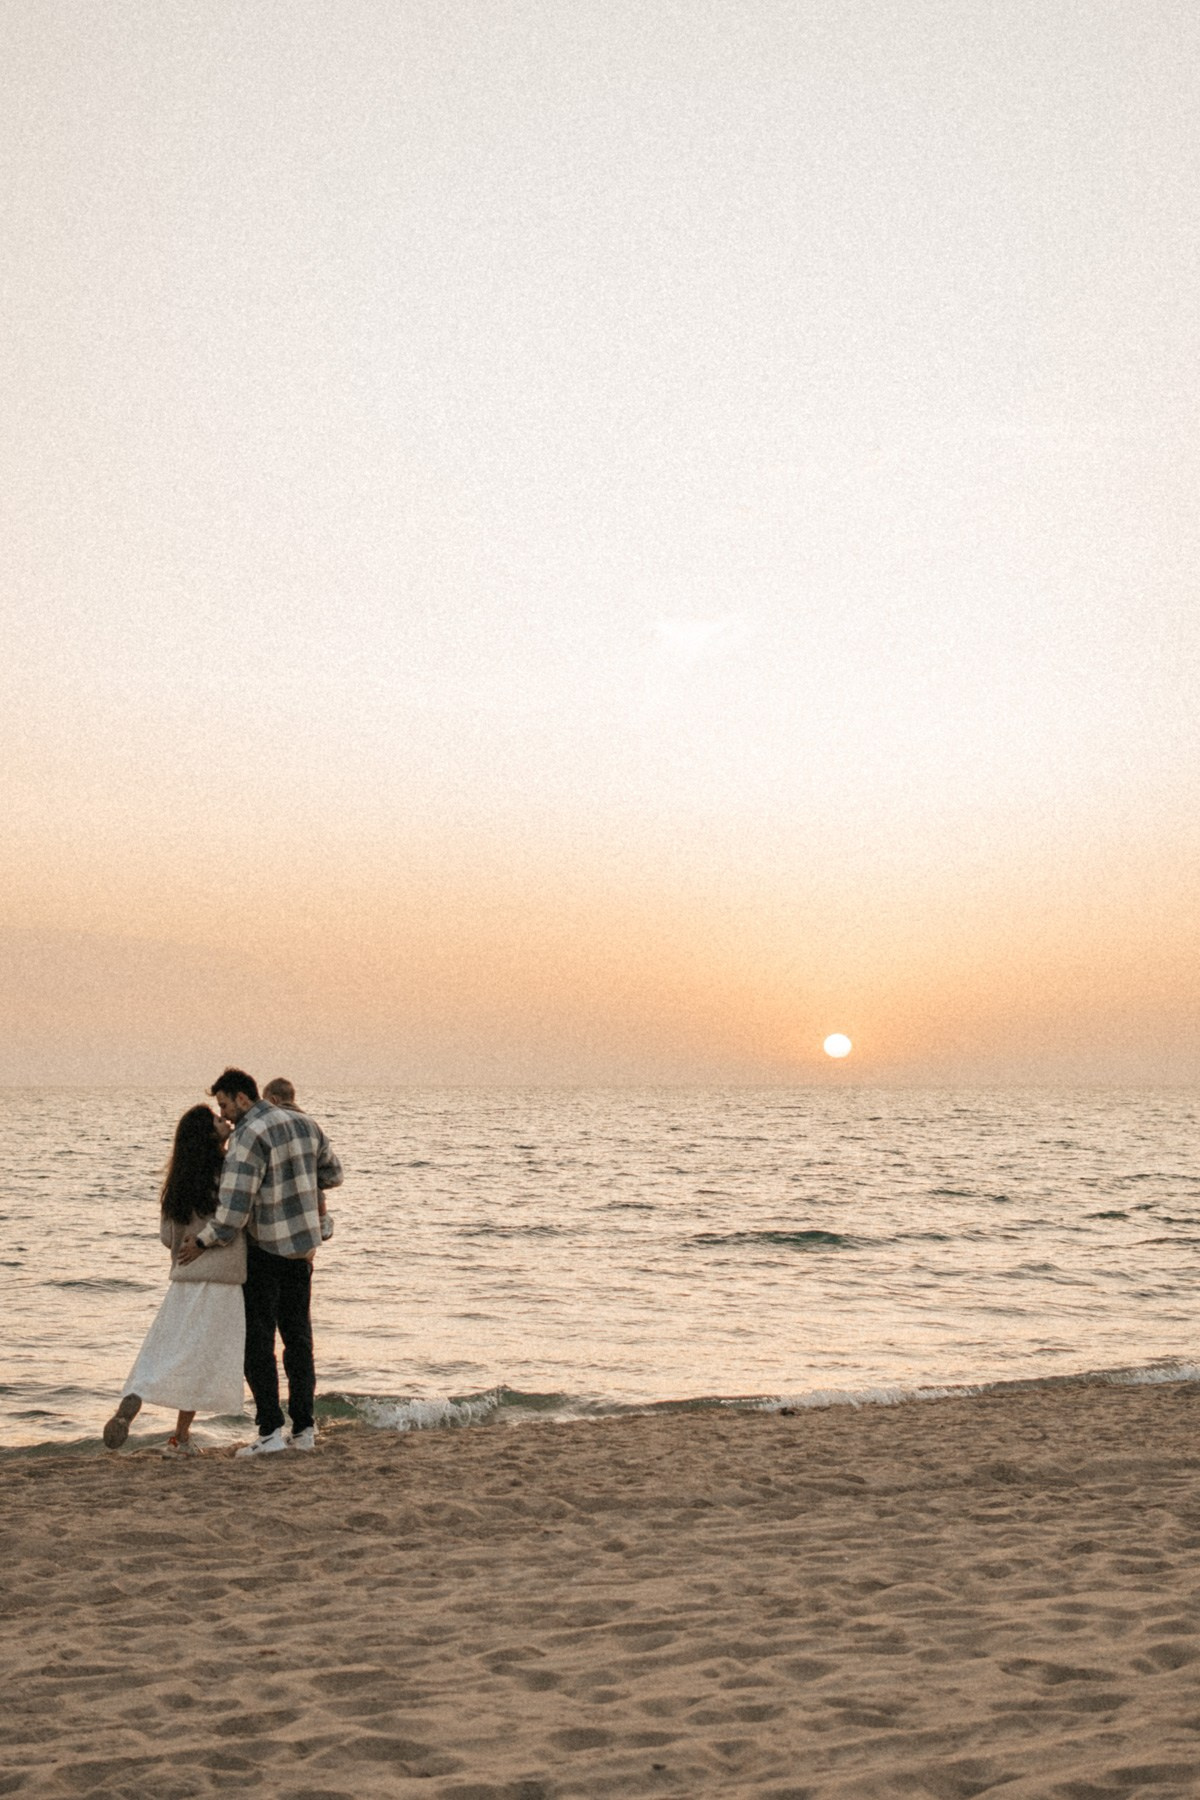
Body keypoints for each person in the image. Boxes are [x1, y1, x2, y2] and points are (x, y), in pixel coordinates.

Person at [177, 1068, 343, 1457]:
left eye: (224, 1105)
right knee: (299, 1342)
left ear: (241, 1097)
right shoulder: (305, 1123)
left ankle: (269, 1432)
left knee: (258, 1344)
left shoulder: (248, 1136)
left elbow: (234, 1210)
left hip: (266, 1251)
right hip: (302, 1251)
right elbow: (333, 1174)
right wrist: (303, 1190)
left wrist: (203, 1241)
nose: (225, 1115)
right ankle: (304, 1430)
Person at [102, 1105, 247, 1457]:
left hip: (183, 1281)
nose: (224, 1121)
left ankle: (133, 1399)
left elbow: (169, 1237)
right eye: (217, 1120)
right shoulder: (227, 1170)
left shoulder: (178, 1180)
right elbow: (236, 1218)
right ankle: (181, 1436)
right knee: (199, 1359)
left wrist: (189, 1236)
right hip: (222, 1281)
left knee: (161, 1350)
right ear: (210, 1135)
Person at [262, 1078, 334, 1240]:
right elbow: (335, 1175)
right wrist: (308, 1180)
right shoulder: (312, 1125)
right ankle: (323, 1222)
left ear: (273, 1100)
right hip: (306, 1219)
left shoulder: (266, 1126)